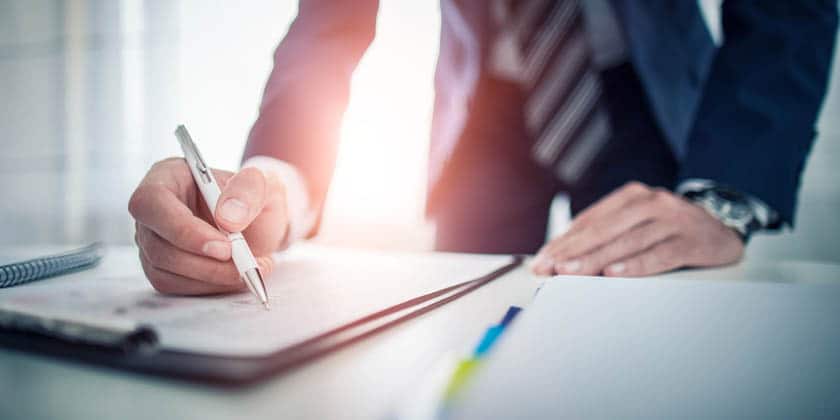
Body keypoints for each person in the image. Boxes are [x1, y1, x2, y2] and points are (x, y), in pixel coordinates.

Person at [129, 0, 837, 295]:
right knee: (464, 311)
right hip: (482, 115)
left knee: (647, 315)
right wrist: (274, 181)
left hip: (640, 99)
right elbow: (328, 26)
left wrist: (722, 194)